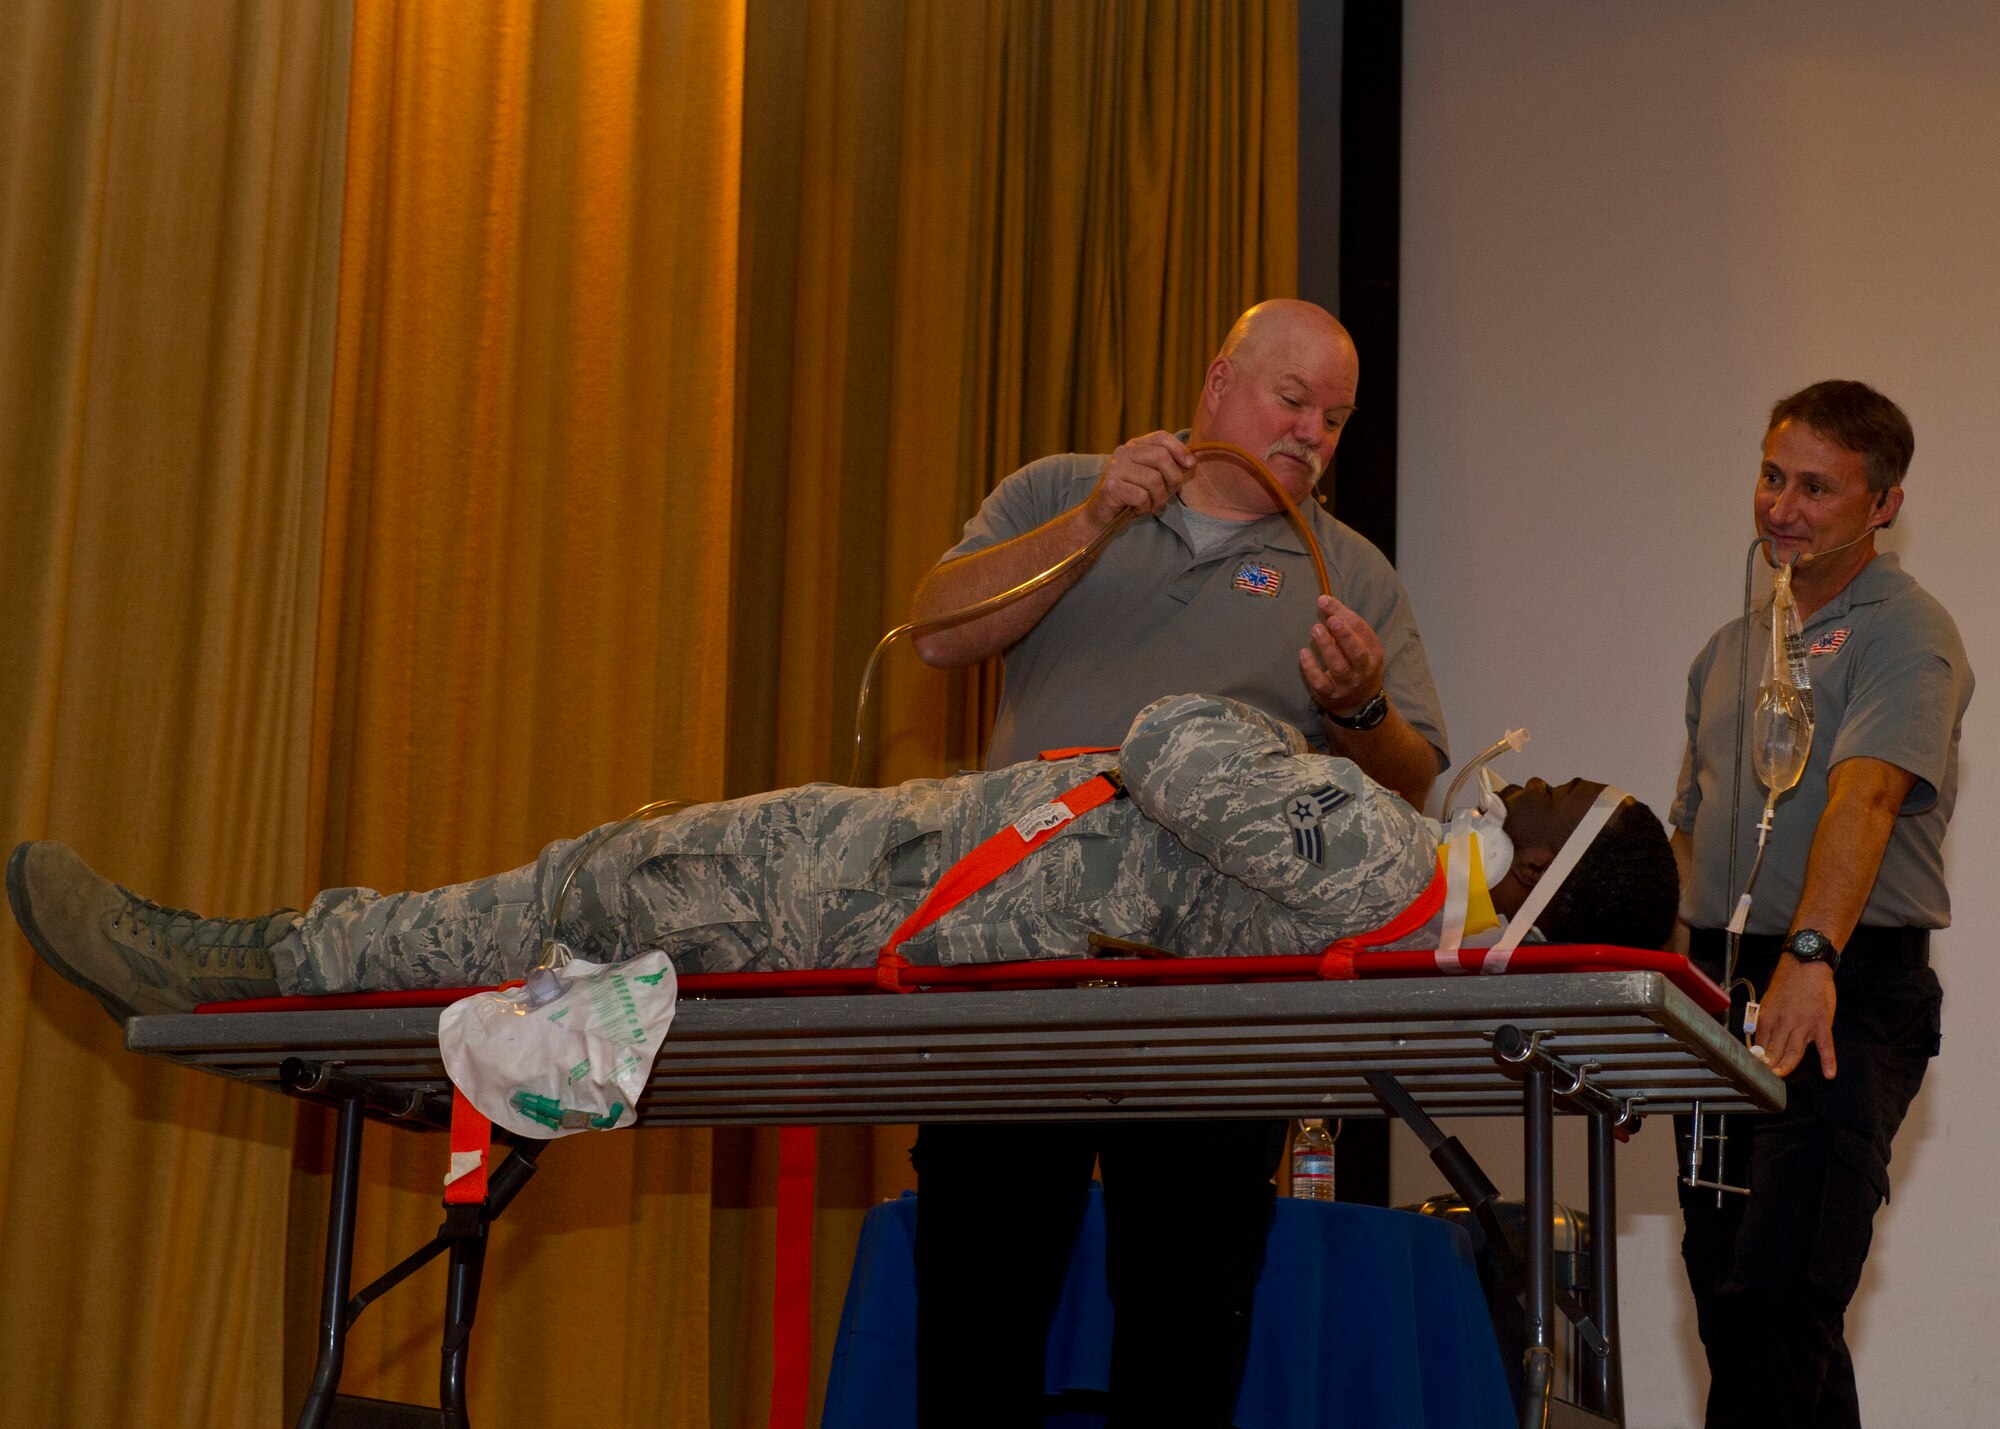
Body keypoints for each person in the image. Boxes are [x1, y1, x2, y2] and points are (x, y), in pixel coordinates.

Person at [904, 299, 1446, 1426]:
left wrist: (1360, 707)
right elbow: (936, 632)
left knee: (1187, 1325)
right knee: (974, 1315)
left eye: (1335, 417)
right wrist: (1092, 519)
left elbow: (1409, 782)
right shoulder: (1064, 488)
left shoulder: (1346, 570)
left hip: (1211, 997)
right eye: (1291, 401)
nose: (1310, 434)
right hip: (1017, 966)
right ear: (1216, 383)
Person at [12, 694, 1671, 1020]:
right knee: (553, 920)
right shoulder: (1394, 894)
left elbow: (1171, 740)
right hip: (905, 884)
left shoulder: (1387, 862)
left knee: (561, 899)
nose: (1538, 779)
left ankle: (249, 958)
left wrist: (1272, 727)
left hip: (859, 884)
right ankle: (272, 959)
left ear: (1553, 865)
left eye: (1564, 795)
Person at [1670, 381, 1973, 1429]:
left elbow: (1868, 793)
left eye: (1813, 488)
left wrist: (1809, 954)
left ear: (1882, 504)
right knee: (1726, 1292)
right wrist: (1647, 1001)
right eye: (1768, 476)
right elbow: (1690, 827)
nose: (1779, 508)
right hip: (1716, 985)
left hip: (1839, 984)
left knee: (1783, 1286)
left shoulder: (1905, 632)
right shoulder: (1727, 649)